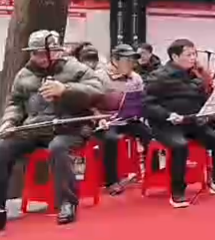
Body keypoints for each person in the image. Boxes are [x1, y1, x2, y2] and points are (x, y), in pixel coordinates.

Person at [0, 30, 105, 230]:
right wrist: (9, 121)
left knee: (59, 147)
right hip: (36, 127)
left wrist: (66, 90)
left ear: (56, 51)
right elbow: (15, 103)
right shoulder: (24, 74)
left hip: (69, 127)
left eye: (43, 53)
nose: (38, 58)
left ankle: (67, 202)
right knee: (3, 148)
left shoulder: (76, 68)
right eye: (34, 53)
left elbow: (98, 90)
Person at [143, 38, 215, 208]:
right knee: (180, 146)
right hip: (167, 125)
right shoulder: (158, 77)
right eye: (189, 55)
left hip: (192, 123)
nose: (193, 58)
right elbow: (147, 104)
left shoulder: (195, 75)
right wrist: (168, 115)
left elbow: (202, 100)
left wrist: (211, 97)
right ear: (175, 57)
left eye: (194, 54)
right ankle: (178, 191)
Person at [95, 44, 153, 196]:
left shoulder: (136, 78)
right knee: (111, 139)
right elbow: (88, 103)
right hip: (106, 120)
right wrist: (98, 117)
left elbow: (141, 100)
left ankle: (153, 173)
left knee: (149, 134)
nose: (132, 64)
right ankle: (111, 181)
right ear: (115, 60)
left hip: (128, 119)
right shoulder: (99, 76)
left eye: (133, 60)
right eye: (127, 60)